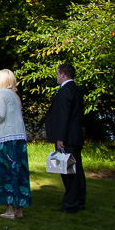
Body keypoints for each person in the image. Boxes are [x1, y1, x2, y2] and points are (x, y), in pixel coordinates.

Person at [0, 69, 31, 219]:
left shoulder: (0, 94)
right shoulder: (15, 96)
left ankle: (10, 209)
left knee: (6, 173)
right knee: (19, 173)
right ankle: (20, 209)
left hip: (5, 138)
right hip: (19, 137)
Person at [45, 62, 86, 214]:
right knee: (77, 170)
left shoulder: (65, 91)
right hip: (76, 136)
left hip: (67, 138)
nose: (56, 77)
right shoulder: (76, 90)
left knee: (69, 171)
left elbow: (64, 116)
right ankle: (79, 200)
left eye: (57, 74)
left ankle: (70, 203)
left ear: (63, 74)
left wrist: (60, 138)